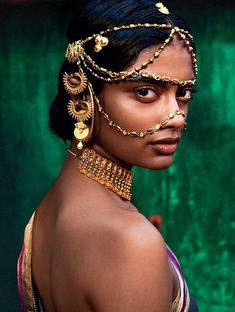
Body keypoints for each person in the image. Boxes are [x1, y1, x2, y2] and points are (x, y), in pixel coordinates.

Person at [17, 0, 199, 311]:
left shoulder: (47, 215)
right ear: (84, 91)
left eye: (183, 93)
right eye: (146, 92)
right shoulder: (129, 242)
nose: (176, 116)